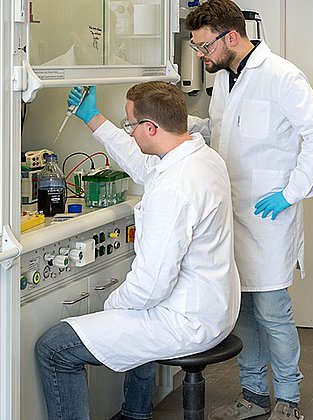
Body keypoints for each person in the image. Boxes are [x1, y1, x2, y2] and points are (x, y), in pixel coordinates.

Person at [35, 81, 241, 420]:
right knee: (134, 316)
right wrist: (93, 118)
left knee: (55, 347)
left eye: (131, 125)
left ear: (151, 127)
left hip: (187, 321)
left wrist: (110, 308)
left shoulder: (175, 187)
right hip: (215, 307)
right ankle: (135, 413)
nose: (129, 133)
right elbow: (144, 164)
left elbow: (151, 286)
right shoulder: (201, 157)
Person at [184, 1, 313, 419]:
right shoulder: (226, 80)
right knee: (243, 311)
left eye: (203, 46)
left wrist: (291, 193)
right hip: (230, 215)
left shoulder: (281, 75)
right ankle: (253, 396)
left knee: (273, 312)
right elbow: (225, 131)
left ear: (230, 37)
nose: (201, 56)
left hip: (270, 216)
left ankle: (288, 400)